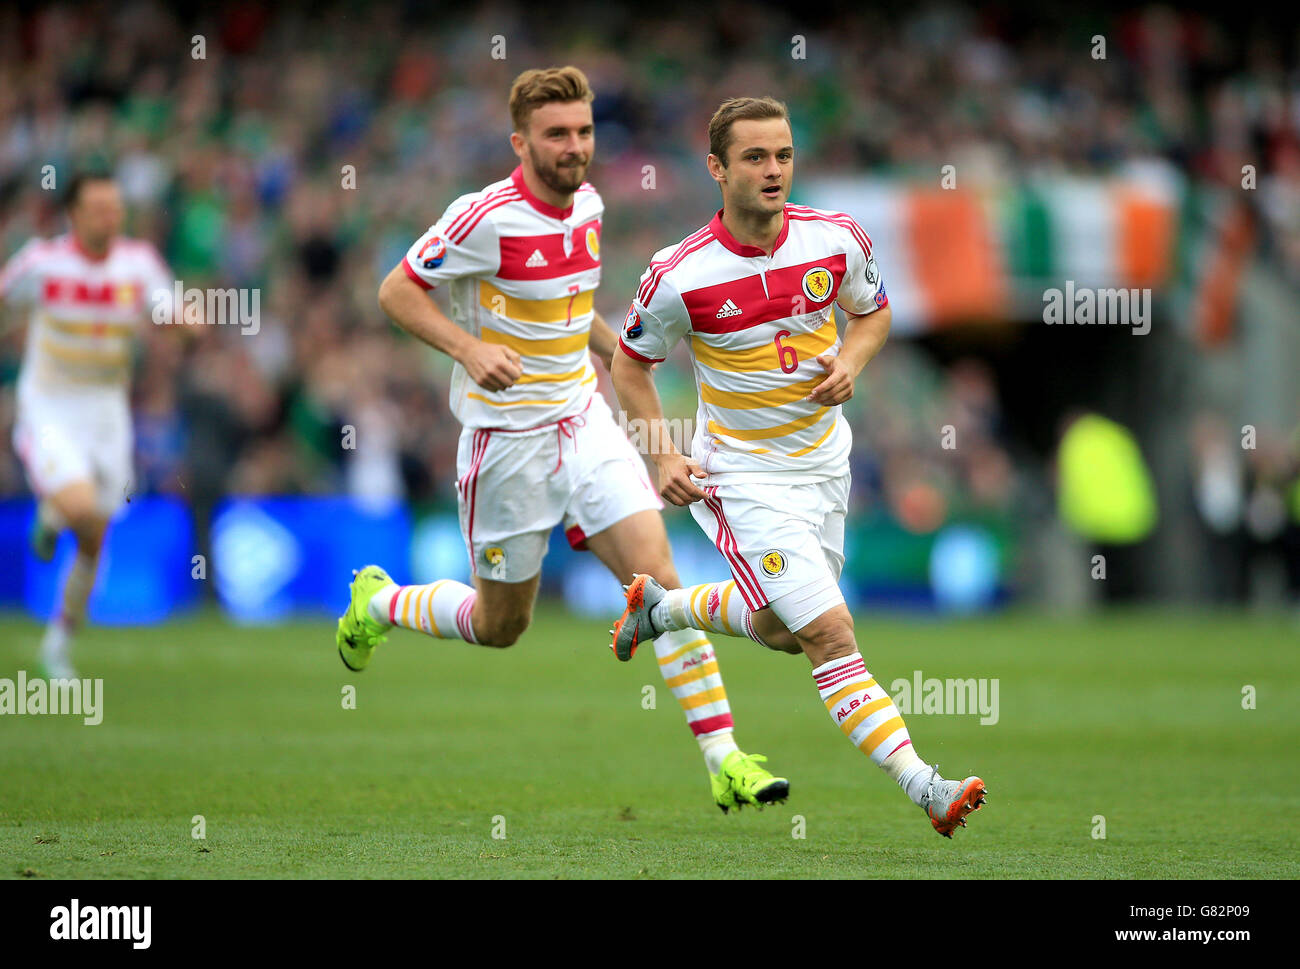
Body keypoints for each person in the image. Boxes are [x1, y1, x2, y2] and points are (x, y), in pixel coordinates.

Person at [336, 67, 787, 813]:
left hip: (584, 422)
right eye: (556, 134)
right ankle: (380, 602)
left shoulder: (592, 206)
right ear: (521, 142)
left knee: (658, 585)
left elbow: (572, 310)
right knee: (500, 624)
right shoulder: (484, 217)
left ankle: (724, 756)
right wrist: (468, 349)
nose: (574, 146)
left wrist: (619, 354)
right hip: (505, 444)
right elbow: (395, 291)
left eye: (583, 131)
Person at [609, 96, 987, 837]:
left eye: (782, 154)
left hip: (825, 467)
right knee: (831, 633)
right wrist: (662, 455)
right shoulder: (678, 275)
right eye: (754, 157)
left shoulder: (834, 240)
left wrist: (849, 359)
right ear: (717, 169)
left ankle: (661, 608)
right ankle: (929, 787)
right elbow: (629, 368)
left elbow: (873, 312)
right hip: (743, 480)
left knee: (785, 631)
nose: (773, 169)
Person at [0, 173, 175, 678]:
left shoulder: (137, 264)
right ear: (73, 214)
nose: (110, 216)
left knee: (95, 536)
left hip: (107, 412)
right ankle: (56, 510)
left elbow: (166, 309)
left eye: (116, 207)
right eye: (99, 207)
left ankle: (58, 640)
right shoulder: (42, 263)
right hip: (50, 406)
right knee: (81, 506)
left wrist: (188, 319)